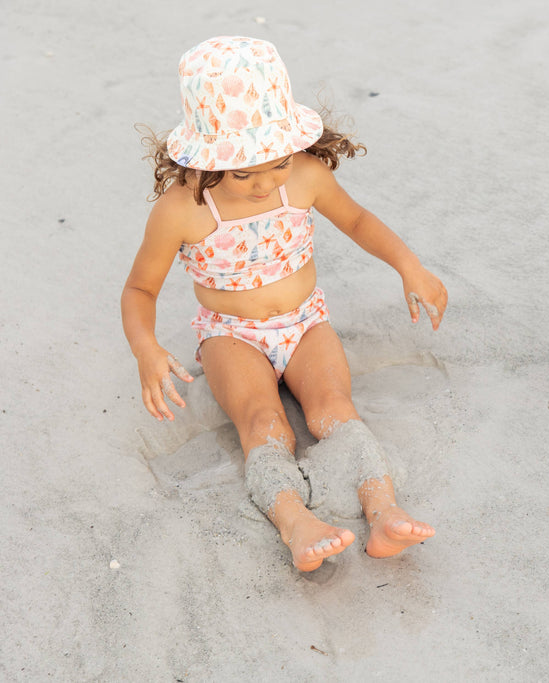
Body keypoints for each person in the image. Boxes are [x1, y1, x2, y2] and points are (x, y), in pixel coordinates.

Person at [122, 36, 443, 571]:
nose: (264, 183)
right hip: (230, 333)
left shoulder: (306, 176)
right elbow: (139, 289)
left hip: (306, 323)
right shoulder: (181, 209)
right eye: (242, 173)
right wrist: (145, 348)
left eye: (274, 164)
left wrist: (409, 265)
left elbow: (359, 221)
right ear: (206, 160)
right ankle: (296, 523)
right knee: (264, 421)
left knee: (335, 410)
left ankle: (383, 511)